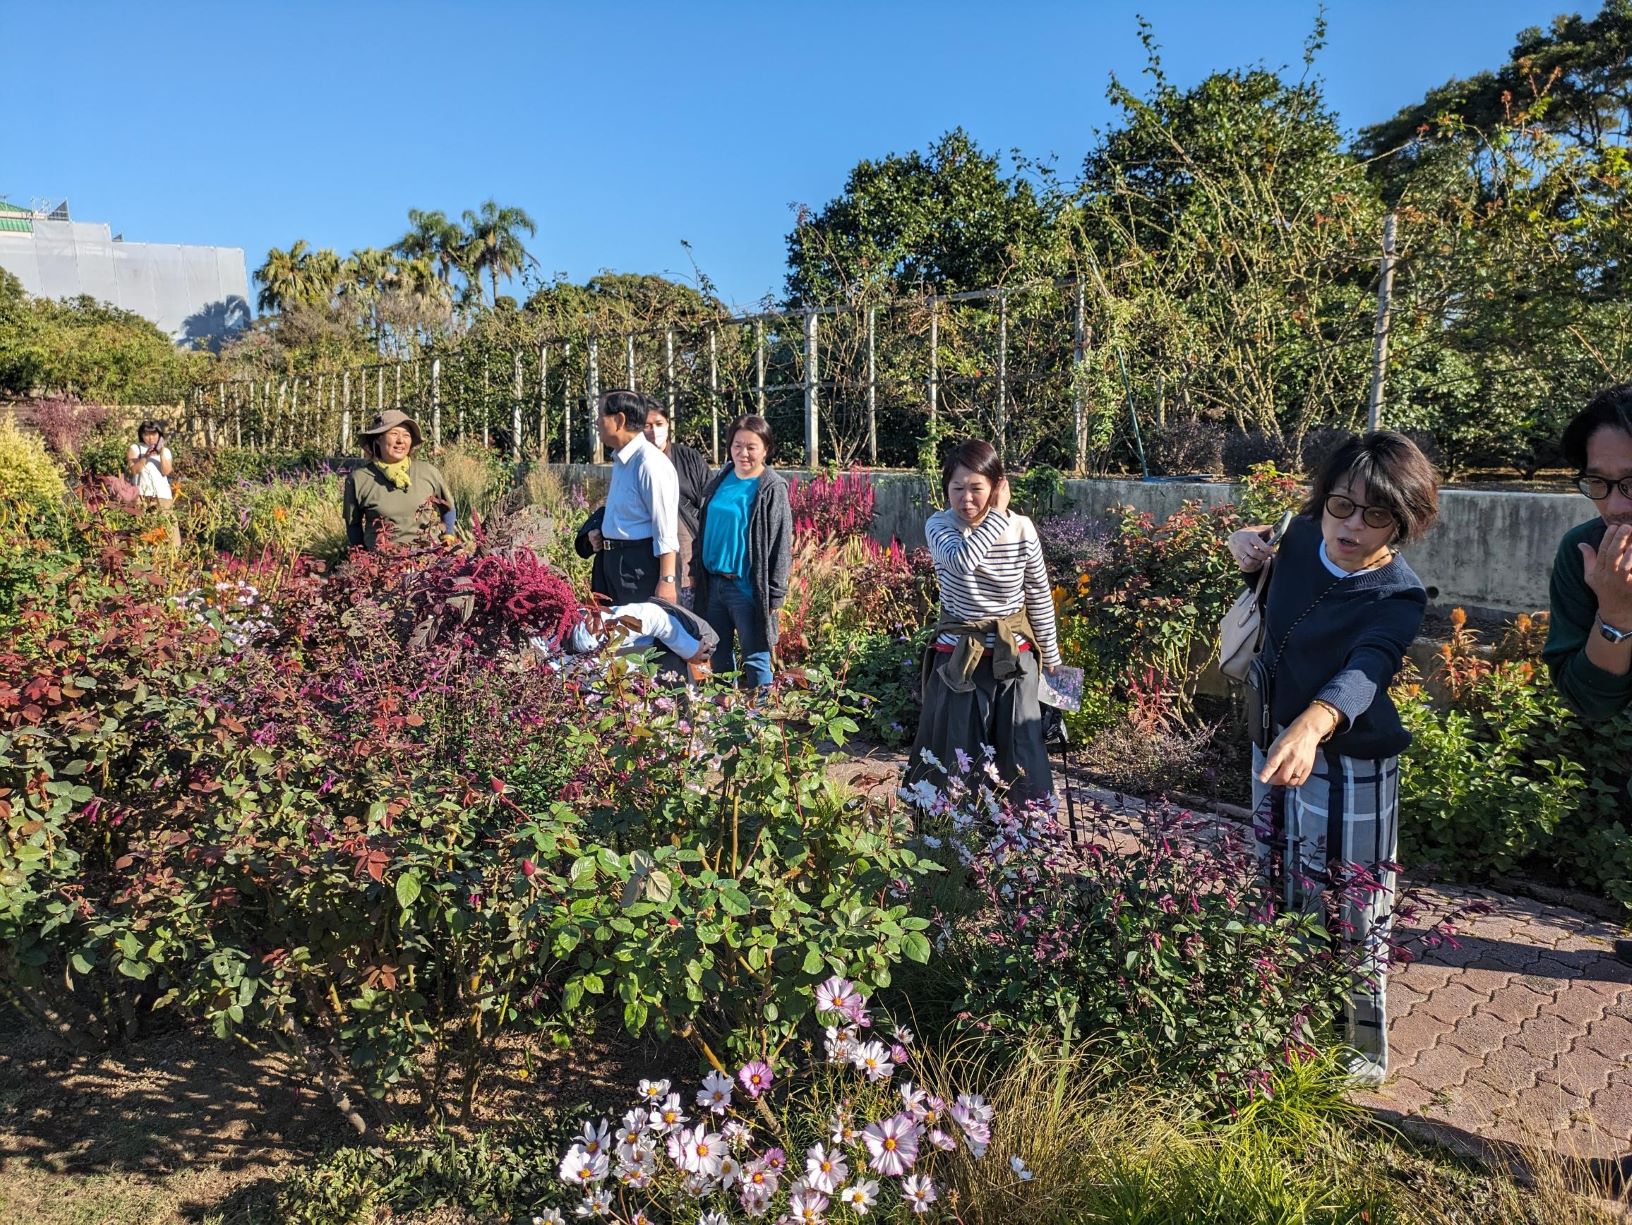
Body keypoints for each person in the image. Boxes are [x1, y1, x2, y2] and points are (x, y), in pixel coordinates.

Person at [1226, 429, 1439, 1087]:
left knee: (1355, 904)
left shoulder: (1398, 595)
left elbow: (1368, 666)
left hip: (1352, 762)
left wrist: (1315, 723)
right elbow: (1259, 561)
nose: (1351, 525)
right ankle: (1288, 1017)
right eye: (1342, 505)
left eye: (1376, 515)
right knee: (1281, 886)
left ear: (1402, 523)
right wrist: (1241, 545)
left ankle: (1362, 1050)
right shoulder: (1295, 542)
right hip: (1277, 743)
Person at [906, 438, 1063, 803]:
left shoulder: (1022, 528)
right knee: (955, 755)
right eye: (957, 488)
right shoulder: (939, 525)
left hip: (1014, 660)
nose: (967, 499)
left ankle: (1027, 841)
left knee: (1021, 752)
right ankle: (949, 841)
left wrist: (1052, 660)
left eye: (977, 488)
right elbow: (963, 562)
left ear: (997, 486)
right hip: (958, 661)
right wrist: (996, 516)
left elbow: (1038, 594)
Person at [1542, 382, 1632, 962]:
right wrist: (1616, 613)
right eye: (1600, 484)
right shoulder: (1587, 553)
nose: (1617, 505)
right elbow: (1590, 698)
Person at [692, 415, 792, 691]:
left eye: (751, 446)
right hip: (714, 586)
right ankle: (727, 721)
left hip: (747, 588)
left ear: (766, 449)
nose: (743, 453)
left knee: (756, 657)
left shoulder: (771, 487)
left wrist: (775, 592)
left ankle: (761, 725)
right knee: (718, 656)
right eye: (737, 445)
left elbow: (782, 543)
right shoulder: (722, 478)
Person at [576, 390, 680, 605]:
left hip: (638, 568)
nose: (596, 422)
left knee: (639, 634)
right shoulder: (622, 460)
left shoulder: (649, 463)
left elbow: (665, 528)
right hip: (614, 563)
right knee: (614, 634)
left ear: (619, 420)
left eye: (600, 415)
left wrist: (667, 581)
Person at [343, 409, 456, 551]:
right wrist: (362, 557)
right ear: (378, 439)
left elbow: (448, 508)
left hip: (427, 562)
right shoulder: (359, 479)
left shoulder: (428, 472)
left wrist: (448, 538)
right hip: (383, 565)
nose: (400, 441)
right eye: (394, 433)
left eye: (406, 435)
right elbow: (353, 525)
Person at [644, 405, 711, 608]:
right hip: (646, 566)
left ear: (668, 424)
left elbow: (710, 503)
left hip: (689, 562)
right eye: (646, 426)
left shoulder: (690, 459)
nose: (654, 431)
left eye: (659, 424)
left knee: (690, 628)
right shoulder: (633, 463)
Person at [127, 419, 180, 547]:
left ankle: (172, 559)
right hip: (142, 495)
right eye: (147, 434)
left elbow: (166, 471)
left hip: (162, 495)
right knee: (144, 532)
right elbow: (134, 470)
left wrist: (160, 453)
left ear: (159, 435)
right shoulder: (136, 448)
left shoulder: (165, 451)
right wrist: (146, 456)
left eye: (154, 434)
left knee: (169, 530)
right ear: (142, 435)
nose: (150, 438)